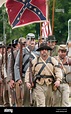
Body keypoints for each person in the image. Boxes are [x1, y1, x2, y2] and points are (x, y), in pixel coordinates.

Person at [25, 42, 62, 107]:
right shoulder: (35, 61)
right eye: (42, 49)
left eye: (45, 49)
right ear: (40, 51)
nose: (44, 51)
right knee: (41, 104)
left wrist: (58, 80)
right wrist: (27, 81)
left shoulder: (53, 60)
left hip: (49, 85)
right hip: (39, 85)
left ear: (47, 51)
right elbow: (29, 71)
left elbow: (58, 70)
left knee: (48, 104)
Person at [14, 33, 39, 107]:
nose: (32, 42)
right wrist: (18, 78)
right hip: (26, 78)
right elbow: (17, 65)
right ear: (27, 41)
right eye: (30, 40)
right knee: (26, 100)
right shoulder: (22, 51)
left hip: (36, 78)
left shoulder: (38, 51)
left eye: (33, 40)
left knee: (36, 99)